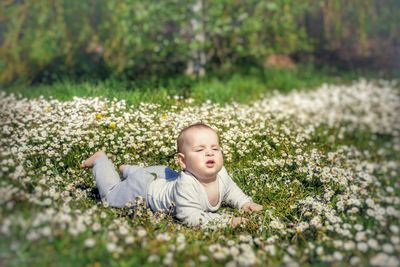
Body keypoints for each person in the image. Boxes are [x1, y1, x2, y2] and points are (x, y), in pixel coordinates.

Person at [81, 123, 263, 227]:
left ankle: (128, 169)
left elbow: (231, 191)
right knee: (111, 196)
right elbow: (190, 216)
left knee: (158, 174)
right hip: (143, 189)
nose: (210, 153)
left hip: (165, 175)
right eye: (200, 150)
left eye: (215, 148)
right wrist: (227, 221)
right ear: (183, 162)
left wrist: (245, 203)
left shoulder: (221, 173)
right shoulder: (187, 185)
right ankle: (101, 161)